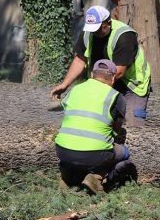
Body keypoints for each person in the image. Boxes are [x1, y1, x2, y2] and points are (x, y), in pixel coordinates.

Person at [50, 5, 152, 126]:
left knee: (133, 125)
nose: (95, 32)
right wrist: (65, 84)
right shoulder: (88, 33)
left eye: (99, 28)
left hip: (131, 84)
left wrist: (90, 88)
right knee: (98, 119)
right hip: (102, 81)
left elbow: (118, 71)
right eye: (92, 29)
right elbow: (79, 60)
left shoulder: (124, 36)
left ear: (108, 23)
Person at [55, 59, 134, 193]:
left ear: (92, 74)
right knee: (124, 152)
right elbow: (116, 128)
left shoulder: (75, 89)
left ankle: (67, 176)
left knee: (81, 150)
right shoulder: (116, 97)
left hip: (62, 151)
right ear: (113, 78)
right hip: (96, 154)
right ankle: (97, 177)